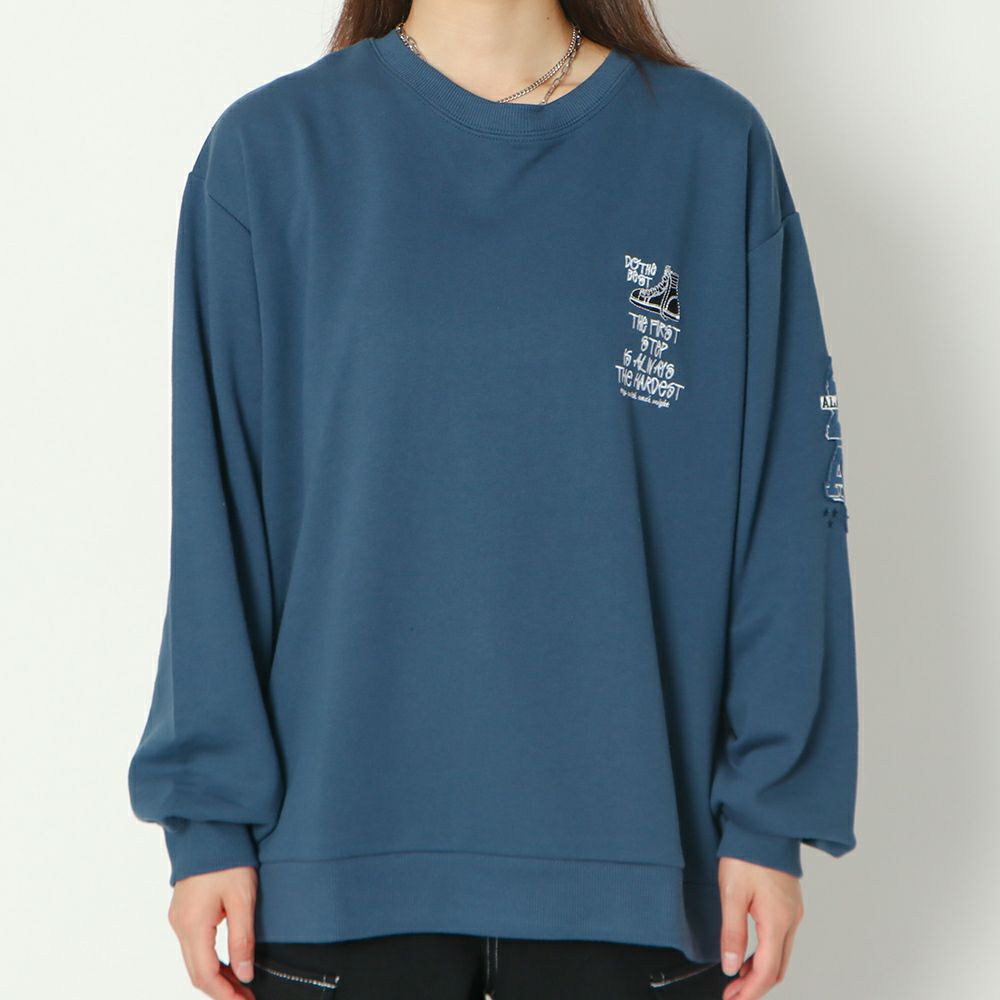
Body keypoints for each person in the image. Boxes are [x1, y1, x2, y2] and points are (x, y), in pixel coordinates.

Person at [126, 1, 859, 998]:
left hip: (641, 872)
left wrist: (768, 815)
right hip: (334, 866)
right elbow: (217, 513)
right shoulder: (272, 152)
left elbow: (784, 504)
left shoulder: (709, 149)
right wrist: (208, 820)